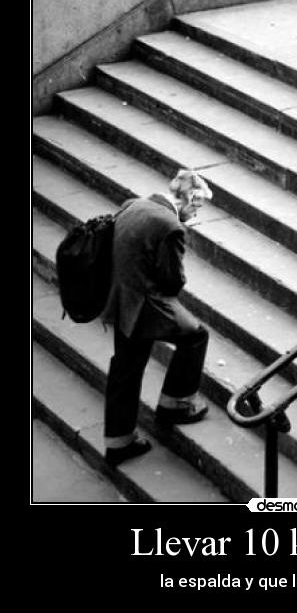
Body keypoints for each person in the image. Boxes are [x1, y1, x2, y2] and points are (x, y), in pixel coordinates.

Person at [102, 169, 213, 467]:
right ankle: (175, 404)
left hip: (119, 298)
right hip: (143, 304)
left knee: (126, 368)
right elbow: (172, 281)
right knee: (195, 335)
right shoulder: (171, 227)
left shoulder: (132, 205)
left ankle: (118, 442)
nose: (196, 212)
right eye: (197, 205)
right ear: (188, 198)